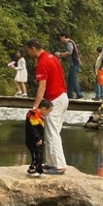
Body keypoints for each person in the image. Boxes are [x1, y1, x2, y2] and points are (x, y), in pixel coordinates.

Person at [25, 38, 68, 174]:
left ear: (32, 48)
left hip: (55, 100)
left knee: (52, 133)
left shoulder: (42, 62)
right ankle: (51, 163)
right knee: (51, 132)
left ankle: (59, 166)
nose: (28, 53)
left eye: (28, 50)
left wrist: (35, 107)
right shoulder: (52, 57)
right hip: (62, 97)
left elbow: (42, 87)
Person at [24, 99, 52, 177]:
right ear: (43, 109)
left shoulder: (39, 116)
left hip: (39, 139)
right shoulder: (33, 115)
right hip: (33, 140)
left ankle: (39, 170)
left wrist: (42, 139)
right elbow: (33, 129)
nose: (48, 114)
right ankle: (32, 169)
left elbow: (39, 129)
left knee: (40, 154)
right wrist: (37, 138)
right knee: (36, 155)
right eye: (48, 111)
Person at [57, 31, 83, 99]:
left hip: (75, 63)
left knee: (73, 79)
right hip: (74, 63)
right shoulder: (70, 42)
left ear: (63, 37)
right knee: (70, 79)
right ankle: (69, 94)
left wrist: (60, 54)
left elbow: (70, 52)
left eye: (60, 38)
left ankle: (79, 94)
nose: (60, 40)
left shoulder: (69, 43)